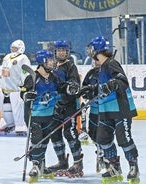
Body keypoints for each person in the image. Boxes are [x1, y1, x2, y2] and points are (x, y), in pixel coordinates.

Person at [86, 36, 140, 181]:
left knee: (124, 139)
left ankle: (133, 166)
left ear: (97, 50)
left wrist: (113, 83)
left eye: (91, 48)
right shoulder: (101, 67)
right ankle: (114, 167)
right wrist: (90, 89)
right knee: (102, 139)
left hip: (120, 109)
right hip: (106, 109)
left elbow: (122, 81)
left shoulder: (111, 63)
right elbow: (102, 87)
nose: (90, 51)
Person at [20, 49, 63, 179]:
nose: (52, 62)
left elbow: (61, 88)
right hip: (34, 115)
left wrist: (70, 88)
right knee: (37, 138)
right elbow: (23, 92)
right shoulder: (32, 77)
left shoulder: (53, 77)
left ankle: (41, 164)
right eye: (49, 60)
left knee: (44, 140)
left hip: (48, 115)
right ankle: (35, 165)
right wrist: (27, 95)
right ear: (42, 62)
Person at [48, 39, 83, 177]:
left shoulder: (71, 67)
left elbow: (74, 88)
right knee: (54, 133)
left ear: (67, 52)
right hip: (55, 106)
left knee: (70, 133)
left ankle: (78, 162)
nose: (61, 52)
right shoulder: (52, 67)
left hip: (69, 106)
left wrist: (63, 102)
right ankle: (62, 161)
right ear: (55, 52)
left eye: (64, 50)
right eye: (59, 50)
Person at [0, 39, 30, 135]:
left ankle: (20, 125)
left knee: (17, 108)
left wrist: (25, 84)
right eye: (12, 48)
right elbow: (2, 68)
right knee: (4, 107)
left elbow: (25, 72)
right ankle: (9, 123)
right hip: (4, 87)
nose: (13, 49)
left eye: (15, 48)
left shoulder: (23, 58)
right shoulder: (7, 57)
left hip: (16, 88)